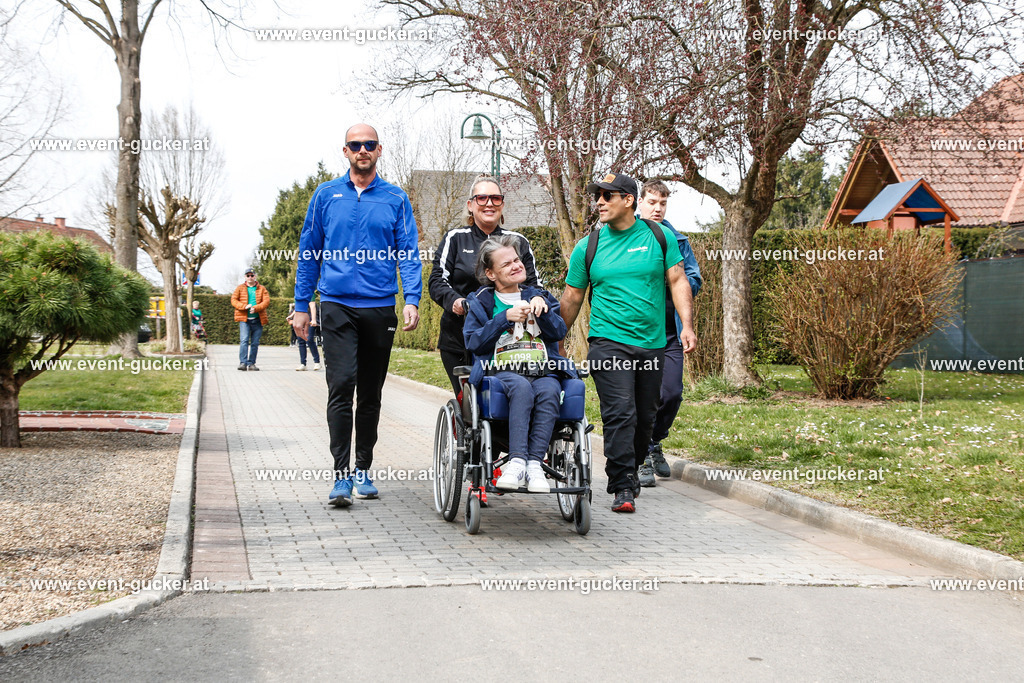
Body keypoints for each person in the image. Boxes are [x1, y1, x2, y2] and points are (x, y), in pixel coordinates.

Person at [291, 123, 422, 508]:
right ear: (345, 151)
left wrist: (411, 298)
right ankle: (341, 475)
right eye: (355, 145)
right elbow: (309, 249)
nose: (362, 150)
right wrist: (302, 304)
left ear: (379, 150)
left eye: (368, 145)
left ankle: (363, 468)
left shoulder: (396, 199)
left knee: (370, 391)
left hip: (379, 305)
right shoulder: (326, 195)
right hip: (335, 303)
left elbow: (408, 252)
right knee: (341, 384)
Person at [560, 172, 696, 513]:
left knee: (645, 417)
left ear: (628, 200)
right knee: (620, 413)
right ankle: (621, 485)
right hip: (608, 342)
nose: (600, 202)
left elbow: (678, 281)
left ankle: (630, 468)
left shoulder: (659, 237)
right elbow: (573, 297)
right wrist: (557, 339)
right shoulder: (587, 246)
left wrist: (687, 326)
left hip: (651, 343)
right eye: (598, 196)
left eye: (608, 196)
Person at [463, 235, 575, 493]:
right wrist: (504, 318)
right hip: (501, 372)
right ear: (491, 274)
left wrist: (543, 310)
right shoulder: (481, 301)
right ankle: (516, 461)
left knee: (548, 391)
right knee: (521, 388)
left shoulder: (541, 296)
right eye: (506, 264)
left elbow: (558, 332)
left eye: (517, 259)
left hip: (541, 369)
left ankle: (534, 464)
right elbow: (473, 343)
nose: (516, 265)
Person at [429, 176, 541, 395]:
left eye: (495, 198)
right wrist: (457, 302)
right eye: (482, 198)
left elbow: (534, 284)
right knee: (470, 407)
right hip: (460, 338)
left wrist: (536, 301)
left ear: (502, 204)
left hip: (513, 341)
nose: (489, 203)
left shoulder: (518, 241)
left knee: (509, 398)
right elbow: (436, 280)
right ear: (471, 205)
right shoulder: (455, 238)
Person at [636, 180, 703, 487]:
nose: (658, 208)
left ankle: (654, 440)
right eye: (652, 202)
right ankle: (642, 454)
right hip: (635, 333)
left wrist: (672, 281)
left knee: (671, 393)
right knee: (641, 396)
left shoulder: (678, 240)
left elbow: (693, 278)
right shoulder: (626, 236)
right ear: (639, 202)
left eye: (663, 203)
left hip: (670, 331)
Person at [232, 268, 270, 371]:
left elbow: (266, 302)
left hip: (258, 319)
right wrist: (244, 306)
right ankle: (243, 363)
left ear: (255, 276)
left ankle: (252, 363)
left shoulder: (262, 289)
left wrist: (256, 308)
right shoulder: (240, 288)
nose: (250, 277)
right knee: (244, 340)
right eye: (248, 275)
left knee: (255, 342)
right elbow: (234, 300)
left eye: (252, 275)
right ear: (245, 277)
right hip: (244, 320)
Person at [287, 300, 322, 371]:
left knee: (309, 340)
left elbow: (313, 307)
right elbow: (298, 307)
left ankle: (317, 362)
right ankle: (303, 363)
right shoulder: (299, 294)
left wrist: (314, 319)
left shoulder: (309, 292)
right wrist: (291, 316)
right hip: (301, 319)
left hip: (310, 320)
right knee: (300, 340)